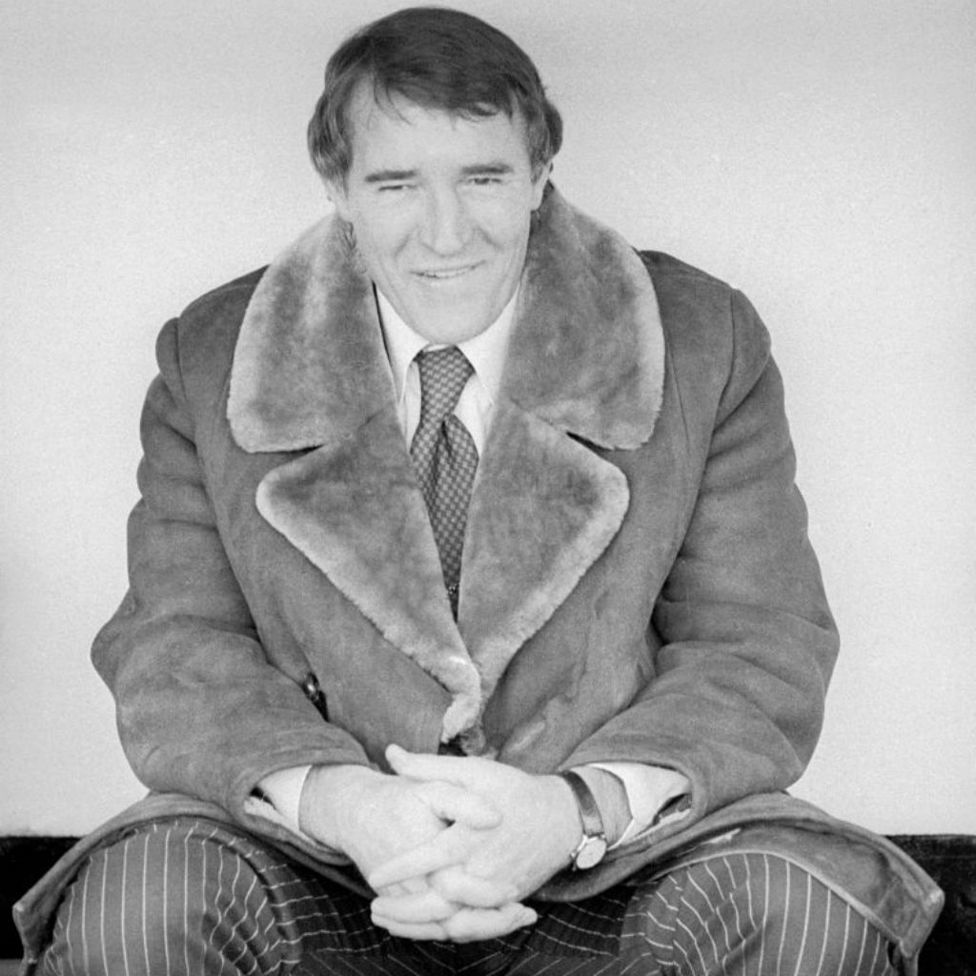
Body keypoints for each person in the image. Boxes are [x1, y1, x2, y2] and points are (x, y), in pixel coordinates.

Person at [15, 6, 940, 975]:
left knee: (799, 909)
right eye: (398, 182)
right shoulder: (213, 359)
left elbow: (759, 647)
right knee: (144, 902)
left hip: (610, 878)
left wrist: (574, 810)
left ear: (541, 171)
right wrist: (349, 806)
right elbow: (174, 652)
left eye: (484, 177)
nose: (446, 232)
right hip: (325, 873)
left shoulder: (701, 343)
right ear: (337, 185)